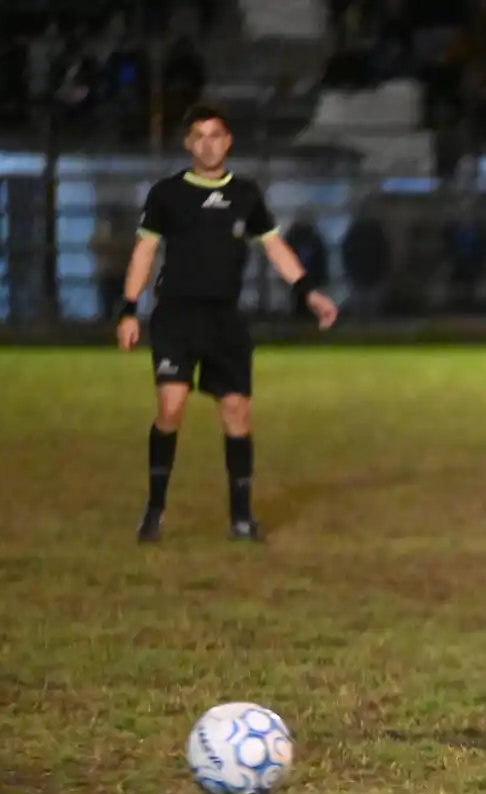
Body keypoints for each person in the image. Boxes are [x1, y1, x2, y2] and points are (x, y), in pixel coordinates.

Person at [117, 104, 338, 543]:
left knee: (237, 412)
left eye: (215, 135)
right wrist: (128, 309)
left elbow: (275, 247)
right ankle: (155, 510)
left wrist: (308, 292)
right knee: (171, 408)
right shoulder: (166, 194)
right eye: (198, 136)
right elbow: (144, 252)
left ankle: (241, 518)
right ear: (188, 143)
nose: (207, 144)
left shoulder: (246, 195)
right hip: (176, 316)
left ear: (228, 141)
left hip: (225, 320)